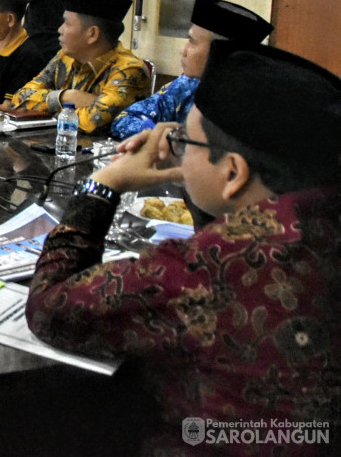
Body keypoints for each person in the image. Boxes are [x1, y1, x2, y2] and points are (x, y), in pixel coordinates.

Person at [26, 43, 341, 455]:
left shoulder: (207, 268)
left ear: (233, 172)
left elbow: (52, 306)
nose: (175, 145)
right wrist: (194, 176)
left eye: (186, 140)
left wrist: (103, 184)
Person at [111, 0, 272, 139]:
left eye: (192, 42)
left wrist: (178, 142)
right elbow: (125, 118)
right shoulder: (188, 84)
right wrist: (166, 137)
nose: (183, 50)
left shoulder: (251, 103)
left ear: (220, 53)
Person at [11, 0, 149, 134]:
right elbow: (19, 100)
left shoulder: (130, 69)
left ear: (92, 34)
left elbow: (92, 122)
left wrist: (48, 112)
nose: (60, 30)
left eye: (67, 23)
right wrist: (66, 97)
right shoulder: (65, 57)